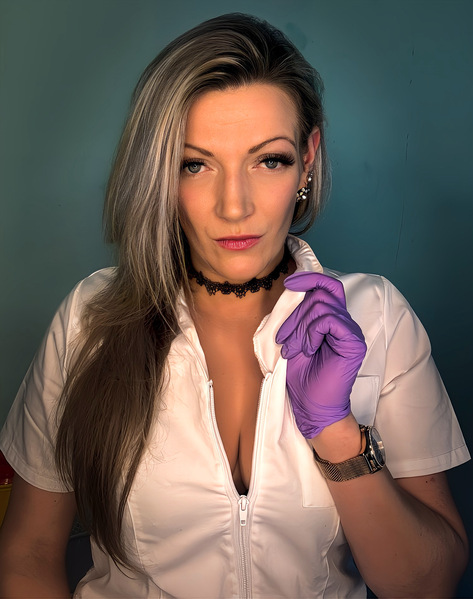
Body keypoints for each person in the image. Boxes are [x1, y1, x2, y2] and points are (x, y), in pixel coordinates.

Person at [0, 12, 469, 599]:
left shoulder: (379, 318)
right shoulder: (89, 319)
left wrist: (336, 432)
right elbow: (28, 556)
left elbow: (428, 585)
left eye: (269, 160)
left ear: (307, 158)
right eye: (195, 164)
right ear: (161, 174)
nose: (234, 206)